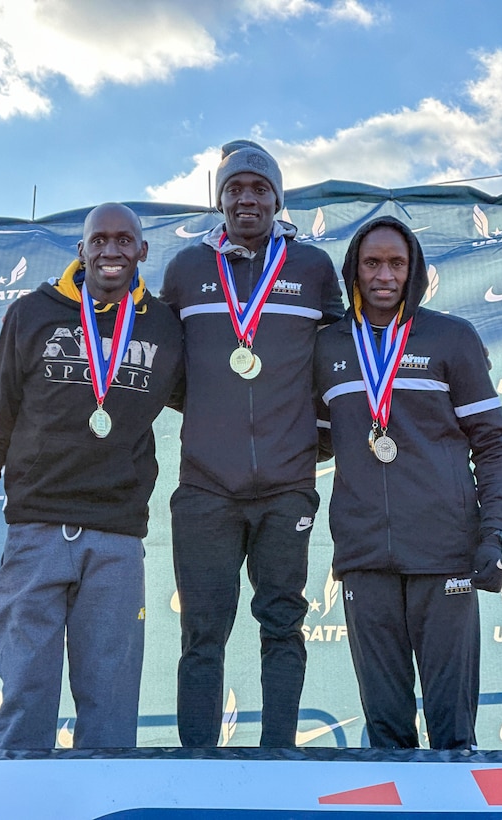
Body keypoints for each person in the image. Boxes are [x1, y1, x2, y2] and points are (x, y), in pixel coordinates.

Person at [0, 202, 184, 749]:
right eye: (99, 240)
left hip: (117, 539)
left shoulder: (165, 328)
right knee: (27, 696)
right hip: (37, 533)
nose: (111, 251)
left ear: (142, 251)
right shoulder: (33, 312)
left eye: (124, 240)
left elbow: (211, 403)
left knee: (110, 703)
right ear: (81, 249)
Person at [160, 139, 344, 747]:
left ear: (276, 199)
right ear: (220, 200)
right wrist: (217, 413)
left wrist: (310, 433)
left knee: (283, 626)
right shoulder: (187, 269)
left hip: (287, 488)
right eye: (234, 188)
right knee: (202, 635)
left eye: (259, 188)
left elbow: (338, 364)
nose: (246, 197)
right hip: (205, 486)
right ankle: (196, 762)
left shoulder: (313, 268)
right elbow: (169, 370)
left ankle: (280, 755)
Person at [314, 215, 502, 750]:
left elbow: (492, 444)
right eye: (372, 263)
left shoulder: (452, 337)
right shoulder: (327, 347)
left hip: (446, 554)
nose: (384, 275)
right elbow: (318, 438)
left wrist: (494, 534)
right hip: (364, 558)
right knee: (386, 731)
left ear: (414, 270)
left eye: (396, 263)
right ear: (354, 268)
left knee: (452, 733)